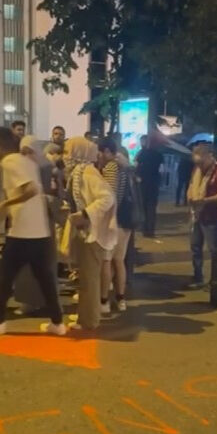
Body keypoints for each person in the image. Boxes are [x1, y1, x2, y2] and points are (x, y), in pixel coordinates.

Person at [0, 128, 65, 335]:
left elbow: (30, 189)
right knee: (45, 279)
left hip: (23, 231)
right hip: (38, 230)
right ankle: (57, 322)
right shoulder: (27, 161)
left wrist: (4, 204)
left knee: (5, 277)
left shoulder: (10, 162)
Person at [64, 136, 115, 330]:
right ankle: (85, 318)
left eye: (68, 151)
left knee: (90, 279)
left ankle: (89, 320)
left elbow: (107, 198)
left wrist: (85, 214)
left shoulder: (86, 172)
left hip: (92, 232)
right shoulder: (79, 172)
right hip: (86, 231)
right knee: (86, 278)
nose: (65, 156)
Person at [185, 143, 217, 288]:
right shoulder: (197, 170)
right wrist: (190, 196)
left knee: (213, 249)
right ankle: (198, 277)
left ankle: (215, 280)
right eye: (197, 163)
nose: (200, 166)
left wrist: (205, 201)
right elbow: (191, 186)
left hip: (211, 216)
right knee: (195, 247)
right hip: (197, 214)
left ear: (209, 156)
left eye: (202, 163)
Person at [98, 136, 131, 312]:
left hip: (115, 220)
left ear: (107, 152)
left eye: (100, 152)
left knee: (106, 260)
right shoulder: (125, 166)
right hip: (126, 219)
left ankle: (103, 301)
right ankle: (121, 299)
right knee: (119, 260)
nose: (99, 156)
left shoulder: (111, 167)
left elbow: (110, 197)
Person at [135, 135, 163, 237]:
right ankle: (151, 230)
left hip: (143, 183)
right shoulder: (159, 155)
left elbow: (136, 166)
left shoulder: (141, 154)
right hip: (154, 184)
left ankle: (144, 229)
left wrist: (137, 177)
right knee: (151, 208)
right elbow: (161, 170)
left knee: (143, 207)